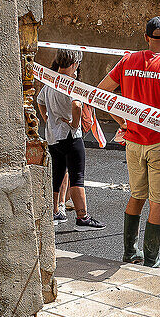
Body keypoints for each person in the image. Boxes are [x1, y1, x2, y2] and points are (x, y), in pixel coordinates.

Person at [97, 17, 160, 269]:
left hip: (134, 141)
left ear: (146, 37)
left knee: (136, 195)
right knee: (158, 201)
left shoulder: (128, 61)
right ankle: (152, 259)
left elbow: (101, 92)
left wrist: (121, 121)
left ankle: (130, 252)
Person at [36, 48, 105, 231]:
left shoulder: (49, 81)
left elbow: (40, 100)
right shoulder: (71, 83)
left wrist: (47, 118)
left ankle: (55, 211)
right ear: (74, 64)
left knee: (57, 174)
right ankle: (82, 217)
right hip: (69, 135)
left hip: (53, 135)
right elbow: (76, 105)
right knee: (77, 177)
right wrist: (75, 125)